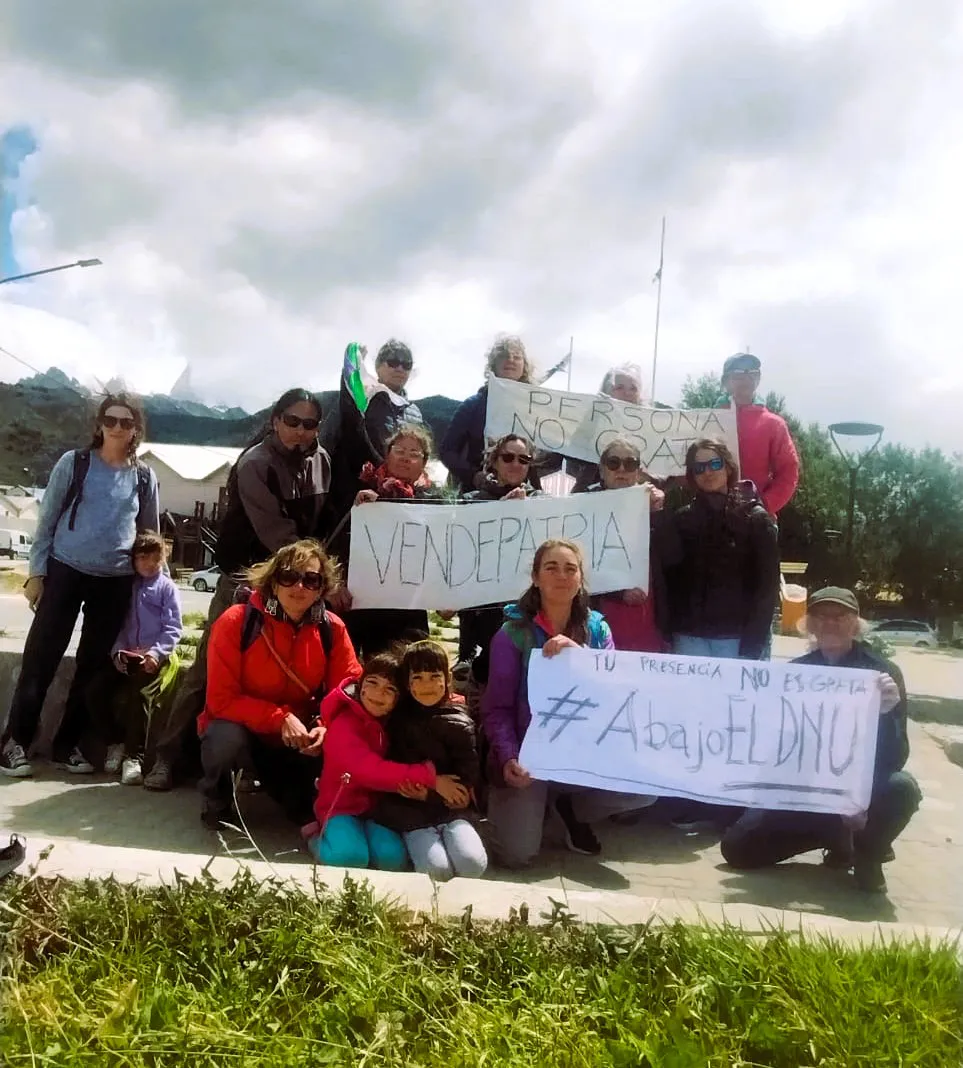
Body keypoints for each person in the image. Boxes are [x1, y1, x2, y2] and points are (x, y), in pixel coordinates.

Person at [145, 387, 335, 791]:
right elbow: (277, 534)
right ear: (275, 420)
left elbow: (325, 518)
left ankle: (254, 766)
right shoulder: (255, 464)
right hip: (246, 578)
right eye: (292, 422)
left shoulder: (322, 461)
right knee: (207, 670)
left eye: (310, 423)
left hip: (294, 580)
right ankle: (166, 758)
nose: (301, 431)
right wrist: (313, 571)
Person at [720, 587, 922, 893]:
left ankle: (868, 852)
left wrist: (888, 713)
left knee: (902, 787)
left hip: (858, 790)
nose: (830, 623)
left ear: (856, 622)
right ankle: (833, 836)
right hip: (807, 789)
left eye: (840, 616)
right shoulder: (795, 673)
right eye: (821, 616)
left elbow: (897, 755)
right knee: (736, 850)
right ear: (809, 624)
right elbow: (777, 743)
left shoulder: (882, 674)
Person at [0, 394, 160, 778]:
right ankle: (14, 742)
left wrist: (153, 588)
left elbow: (149, 536)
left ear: (137, 429)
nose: (118, 428)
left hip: (115, 580)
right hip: (66, 571)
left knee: (92, 668)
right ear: (99, 423)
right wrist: (37, 573)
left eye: (126, 422)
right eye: (111, 420)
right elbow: (48, 520)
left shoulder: (143, 476)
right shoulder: (75, 464)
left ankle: (65, 746)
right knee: (42, 657)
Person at [481, 539, 654, 866]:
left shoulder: (597, 630)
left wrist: (582, 658)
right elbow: (496, 709)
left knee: (645, 787)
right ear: (535, 577)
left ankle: (569, 809)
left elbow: (613, 689)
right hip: (529, 757)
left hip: (581, 751)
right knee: (516, 855)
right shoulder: (511, 634)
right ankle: (524, 804)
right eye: (551, 568)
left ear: (580, 579)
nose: (561, 576)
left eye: (570, 569)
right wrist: (509, 757)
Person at [197, 539, 360, 829]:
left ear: (322, 588)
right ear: (273, 582)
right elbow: (220, 701)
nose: (299, 587)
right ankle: (216, 800)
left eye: (311, 579)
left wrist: (325, 725)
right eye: (289, 577)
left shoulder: (332, 628)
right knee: (224, 738)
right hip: (246, 729)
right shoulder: (236, 622)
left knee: (345, 736)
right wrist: (280, 718)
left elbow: (348, 691)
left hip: (302, 735)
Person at [306, 649, 458, 870]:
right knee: (349, 857)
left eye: (390, 689)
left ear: (400, 698)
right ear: (360, 685)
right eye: (373, 683)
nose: (379, 694)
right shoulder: (345, 723)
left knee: (392, 859)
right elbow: (369, 771)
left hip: (379, 809)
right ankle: (315, 838)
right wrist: (430, 777)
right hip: (341, 807)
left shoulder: (393, 722)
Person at [373, 641, 487, 881]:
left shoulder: (459, 722)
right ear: (407, 682)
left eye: (434, 676)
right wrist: (425, 790)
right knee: (437, 871)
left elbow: (467, 778)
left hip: (452, 811)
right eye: (418, 677)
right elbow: (394, 774)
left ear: (446, 679)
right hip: (411, 814)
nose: (426, 685)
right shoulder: (396, 721)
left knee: (471, 864)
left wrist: (433, 795)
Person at [664, 438, 780, 660]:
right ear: (692, 475)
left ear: (728, 467)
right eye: (698, 468)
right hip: (689, 638)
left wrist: (753, 645)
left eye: (714, 464)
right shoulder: (681, 520)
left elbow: (767, 588)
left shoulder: (756, 519)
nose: (707, 472)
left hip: (736, 640)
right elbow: (670, 579)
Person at [88, 531, 183, 785]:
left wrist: (155, 654)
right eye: (142, 558)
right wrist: (118, 652)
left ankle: (134, 757)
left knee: (137, 696)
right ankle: (115, 742)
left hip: (155, 657)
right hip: (127, 654)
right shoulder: (128, 588)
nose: (148, 564)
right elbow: (121, 626)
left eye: (154, 558)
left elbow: (173, 628)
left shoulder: (167, 588)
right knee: (94, 690)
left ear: (162, 558)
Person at [341, 425, 440, 658]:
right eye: (399, 450)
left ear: (424, 463)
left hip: (409, 606)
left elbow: (442, 552)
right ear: (387, 454)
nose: (406, 458)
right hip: (360, 604)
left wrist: (445, 595)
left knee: (407, 669)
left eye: (414, 454)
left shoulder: (434, 502)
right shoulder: (360, 490)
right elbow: (336, 542)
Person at [454, 434, 544, 683]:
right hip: (483, 613)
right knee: (485, 683)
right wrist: (501, 513)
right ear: (494, 462)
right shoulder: (471, 501)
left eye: (523, 459)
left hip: (527, 608)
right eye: (508, 457)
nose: (516, 464)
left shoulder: (544, 503)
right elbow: (461, 550)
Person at [577, 438, 668, 653]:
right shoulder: (581, 505)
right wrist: (618, 593)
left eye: (630, 464)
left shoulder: (653, 503)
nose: (621, 470)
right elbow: (578, 566)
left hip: (647, 615)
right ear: (601, 469)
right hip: (599, 614)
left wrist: (658, 515)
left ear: (639, 471)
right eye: (613, 463)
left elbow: (672, 557)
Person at [440, 335, 534, 494]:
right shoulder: (473, 405)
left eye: (516, 357)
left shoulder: (536, 410)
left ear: (524, 366)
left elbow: (548, 457)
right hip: (479, 498)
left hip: (525, 497)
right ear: (493, 364)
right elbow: (447, 451)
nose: (510, 359)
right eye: (504, 355)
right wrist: (473, 476)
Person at [719, 353, 799, 516]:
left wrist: (764, 505)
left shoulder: (774, 424)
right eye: (739, 373)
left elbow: (788, 471)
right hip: (713, 516)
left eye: (753, 373)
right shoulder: (708, 419)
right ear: (726, 381)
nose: (746, 378)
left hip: (756, 520)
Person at [570, 363, 647, 493]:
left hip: (637, 498)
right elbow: (574, 455)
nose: (627, 393)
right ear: (607, 391)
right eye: (620, 387)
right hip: (592, 497)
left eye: (633, 388)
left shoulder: (651, 427)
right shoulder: (592, 420)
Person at [363, 340, 424, 461]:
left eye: (407, 365)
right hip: (362, 476)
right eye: (393, 362)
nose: (400, 369)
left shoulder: (415, 412)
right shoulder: (363, 398)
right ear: (378, 366)